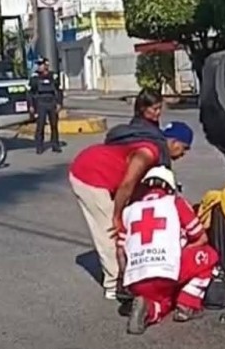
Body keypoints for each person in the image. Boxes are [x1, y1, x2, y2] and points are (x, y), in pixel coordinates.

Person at [68, 121, 194, 300]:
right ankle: (114, 284)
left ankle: (129, 271)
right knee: (110, 231)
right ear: (174, 143)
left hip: (102, 169)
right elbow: (127, 185)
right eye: (184, 148)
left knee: (124, 224)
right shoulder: (150, 153)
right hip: (90, 174)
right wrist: (117, 216)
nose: (183, 154)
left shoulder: (156, 152)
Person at [120, 166, 219, 334]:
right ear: (171, 187)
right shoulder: (175, 203)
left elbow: (121, 252)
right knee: (209, 255)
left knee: (164, 303)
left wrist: (125, 280)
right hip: (167, 272)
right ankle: (187, 304)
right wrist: (183, 251)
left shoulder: (129, 211)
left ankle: (149, 309)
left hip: (136, 279)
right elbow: (201, 238)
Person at [29, 57, 62, 155]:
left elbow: (59, 91)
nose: (39, 67)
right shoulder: (35, 77)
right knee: (40, 126)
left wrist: (59, 103)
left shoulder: (53, 76)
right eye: (38, 65)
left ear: (46, 65)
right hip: (40, 103)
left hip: (51, 102)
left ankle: (55, 145)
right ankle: (39, 146)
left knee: (54, 125)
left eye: (41, 64)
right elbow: (30, 93)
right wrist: (31, 105)